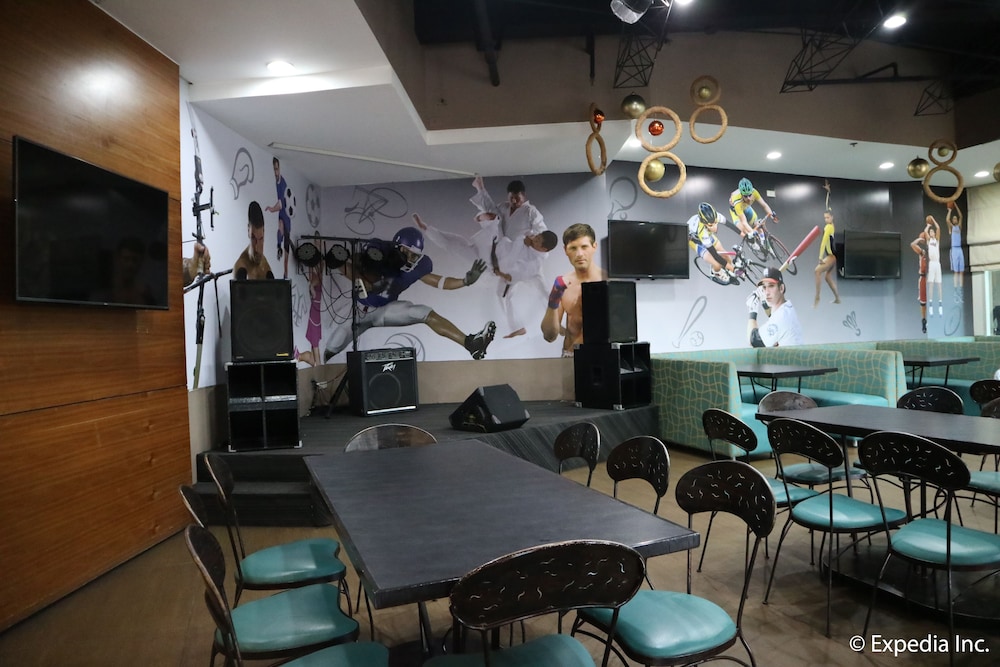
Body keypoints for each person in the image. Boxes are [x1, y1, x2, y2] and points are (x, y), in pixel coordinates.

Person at [322, 226, 495, 362]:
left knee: (423, 312)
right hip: (359, 310)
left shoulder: (418, 266)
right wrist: (349, 270)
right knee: (333, 346)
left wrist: (464, 281)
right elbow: (356, 263)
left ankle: (470, 344)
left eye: (414, 256)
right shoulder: (378, 251)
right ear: (397, 248)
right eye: (407, 253)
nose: (410, 258)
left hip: (386, 310)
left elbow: (438, 281)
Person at [413, 212, 557, 338]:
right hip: (494, 248)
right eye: (537, 237)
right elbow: (530, 233)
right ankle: (428, 228)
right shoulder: (535, 240)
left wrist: (519, 244)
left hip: (491, 262)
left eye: (538, 241)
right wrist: (526, 237)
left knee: (456, 246)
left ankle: (521, 327)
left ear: (543, 248)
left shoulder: (533, 262)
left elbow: (511, 269)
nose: (535, 239)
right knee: (462, 240)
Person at [541, 223, 606, 357]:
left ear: (594, 247)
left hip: (602, 357)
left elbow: (622, 330)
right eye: (573, 248)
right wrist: (554, 298)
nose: (579, 254)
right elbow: (549, 336)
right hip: (570, 356)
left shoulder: (609, 282)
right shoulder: (563, 285)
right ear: (565, 250)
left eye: (584, 247)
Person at [469, 175, 547, 240]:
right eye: (511, 198)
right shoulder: (504, 206)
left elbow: (542, 232)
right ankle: (480, 187)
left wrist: (532, 240)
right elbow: (490, 211)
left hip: (519, 248)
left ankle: (480, 187)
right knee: (494, 214)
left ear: (523, 195)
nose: (514, 201)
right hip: (501, 244)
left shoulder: (531, 211)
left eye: (517, 198)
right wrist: (480, 217)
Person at [746, 267, 803, 347]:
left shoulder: (782, 316)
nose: (767, 292)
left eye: (771, 286)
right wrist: (764, 303)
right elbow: (772, 316)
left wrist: (752, 310)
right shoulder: (786, 309)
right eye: (764, 287)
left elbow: (753, 340)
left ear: (781, 288)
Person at [687, 202, 735, 284]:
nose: (715, 226)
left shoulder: (716, 216)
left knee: (726, 256)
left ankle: (728, 269)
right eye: (711, 224)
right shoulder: (701, 231)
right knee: (717, 264)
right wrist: (731, 268)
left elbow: (730, 225)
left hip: (708, 236)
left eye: (715, 222)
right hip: (697, 242)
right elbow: (715, 255)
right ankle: (715, 272)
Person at [729, 177, 777, 246]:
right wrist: (752, 232)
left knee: (758, 225)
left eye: (750, 195)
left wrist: (772, 215)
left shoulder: (754, 192)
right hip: (736, 214)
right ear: (741, 195)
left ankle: (763, 243)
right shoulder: (737, 202)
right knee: (746, 231)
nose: (748, 198)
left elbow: (764, 205)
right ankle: (754, 245)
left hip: (746, 208)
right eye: (745, 196)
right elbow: (744, 222)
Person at [265, 157, 292, 279]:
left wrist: (272, 209)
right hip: (282, 215)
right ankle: (278, 246)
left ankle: (285, 276)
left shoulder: (282, 183)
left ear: (279, 169)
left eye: (277, 169)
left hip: (286, 217)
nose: (275, 172)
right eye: (274, 169)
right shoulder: (277, 182)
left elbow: (281, 203)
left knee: (286, 256)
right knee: (280, 226)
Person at [233, 201, 274, 281]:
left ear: (264, 232)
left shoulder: (266, 268)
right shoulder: (241, 268)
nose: (257, 248)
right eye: (253, 238)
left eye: (261, 239)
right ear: (248, 230)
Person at [912, 216, 943, 317]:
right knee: (928, 291)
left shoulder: (936, 241)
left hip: (936, 264)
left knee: (938, 285)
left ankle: (940, 305)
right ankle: (928, 311)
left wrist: (932, 220)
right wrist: (928, 227)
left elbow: (938, 228)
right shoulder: (925, 247)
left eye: (932, 232)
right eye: (930, 232)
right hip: (928, 270)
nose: (931, 233)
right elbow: (914, 243)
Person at [814, 209, 841, 306]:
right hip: (834, 256)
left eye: (828, 217)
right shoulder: (831, 226)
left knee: (817, 271)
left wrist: (820, 257)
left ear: (832, 217)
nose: (826, 219)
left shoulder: (828, 227)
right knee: (827, 277)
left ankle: (817, 297)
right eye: (825, 218)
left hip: (831, 256)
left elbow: (824, 242)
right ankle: (837, 298)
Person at [946, 200, 965, 302]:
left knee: (961, 272)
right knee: (956, 272)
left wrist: (956, 205)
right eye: (953, 218)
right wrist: (950, 210)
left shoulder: (959, 227)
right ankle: (955, 293)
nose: (954, 219)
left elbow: (961, 216)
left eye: (955, 218)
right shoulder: (951, 228)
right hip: (954, 249)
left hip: (960, 249)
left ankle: (960, 292)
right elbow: (947, 220)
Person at [912, 231, 929, 333]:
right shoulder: (922, 252)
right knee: (923, 302)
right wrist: (919, 239)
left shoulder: (933, 249)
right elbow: (912, 244)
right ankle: (923, 320)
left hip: (931, 277)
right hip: (923, 277)